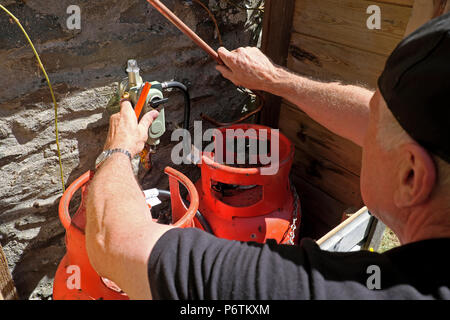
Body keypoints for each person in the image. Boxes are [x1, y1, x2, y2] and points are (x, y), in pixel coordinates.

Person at [85, 13, 450, 299]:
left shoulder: (308, 289)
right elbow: (364, 115)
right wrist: (272, 78)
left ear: (411, 176)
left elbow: (112, 242)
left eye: (374, 125)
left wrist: (118, 148)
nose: (363, 127)